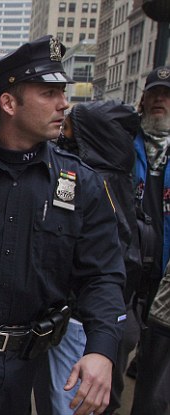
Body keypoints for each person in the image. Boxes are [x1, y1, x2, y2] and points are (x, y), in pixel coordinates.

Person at [0, 35, 127, 415]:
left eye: (62, 92)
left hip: (32, 365)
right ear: (9, 103)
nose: (63, 103)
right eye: (49, 93)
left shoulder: (80, 183)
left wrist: (101, 350)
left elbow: (102, 275)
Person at [32, 99, 140, 415]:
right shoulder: (117, 174)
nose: (62, 135)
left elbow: (110, 260)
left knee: (71, 404)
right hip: (89, 316)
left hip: (80, 319)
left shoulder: (93, 181)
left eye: (68, 129)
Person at [129, 65, 170, 415]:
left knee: (157, 364)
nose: (161, 100)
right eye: (155, 93)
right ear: (143, 100)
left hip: (165, 272)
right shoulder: (124, 142)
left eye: (168, 95)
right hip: (126, 271)